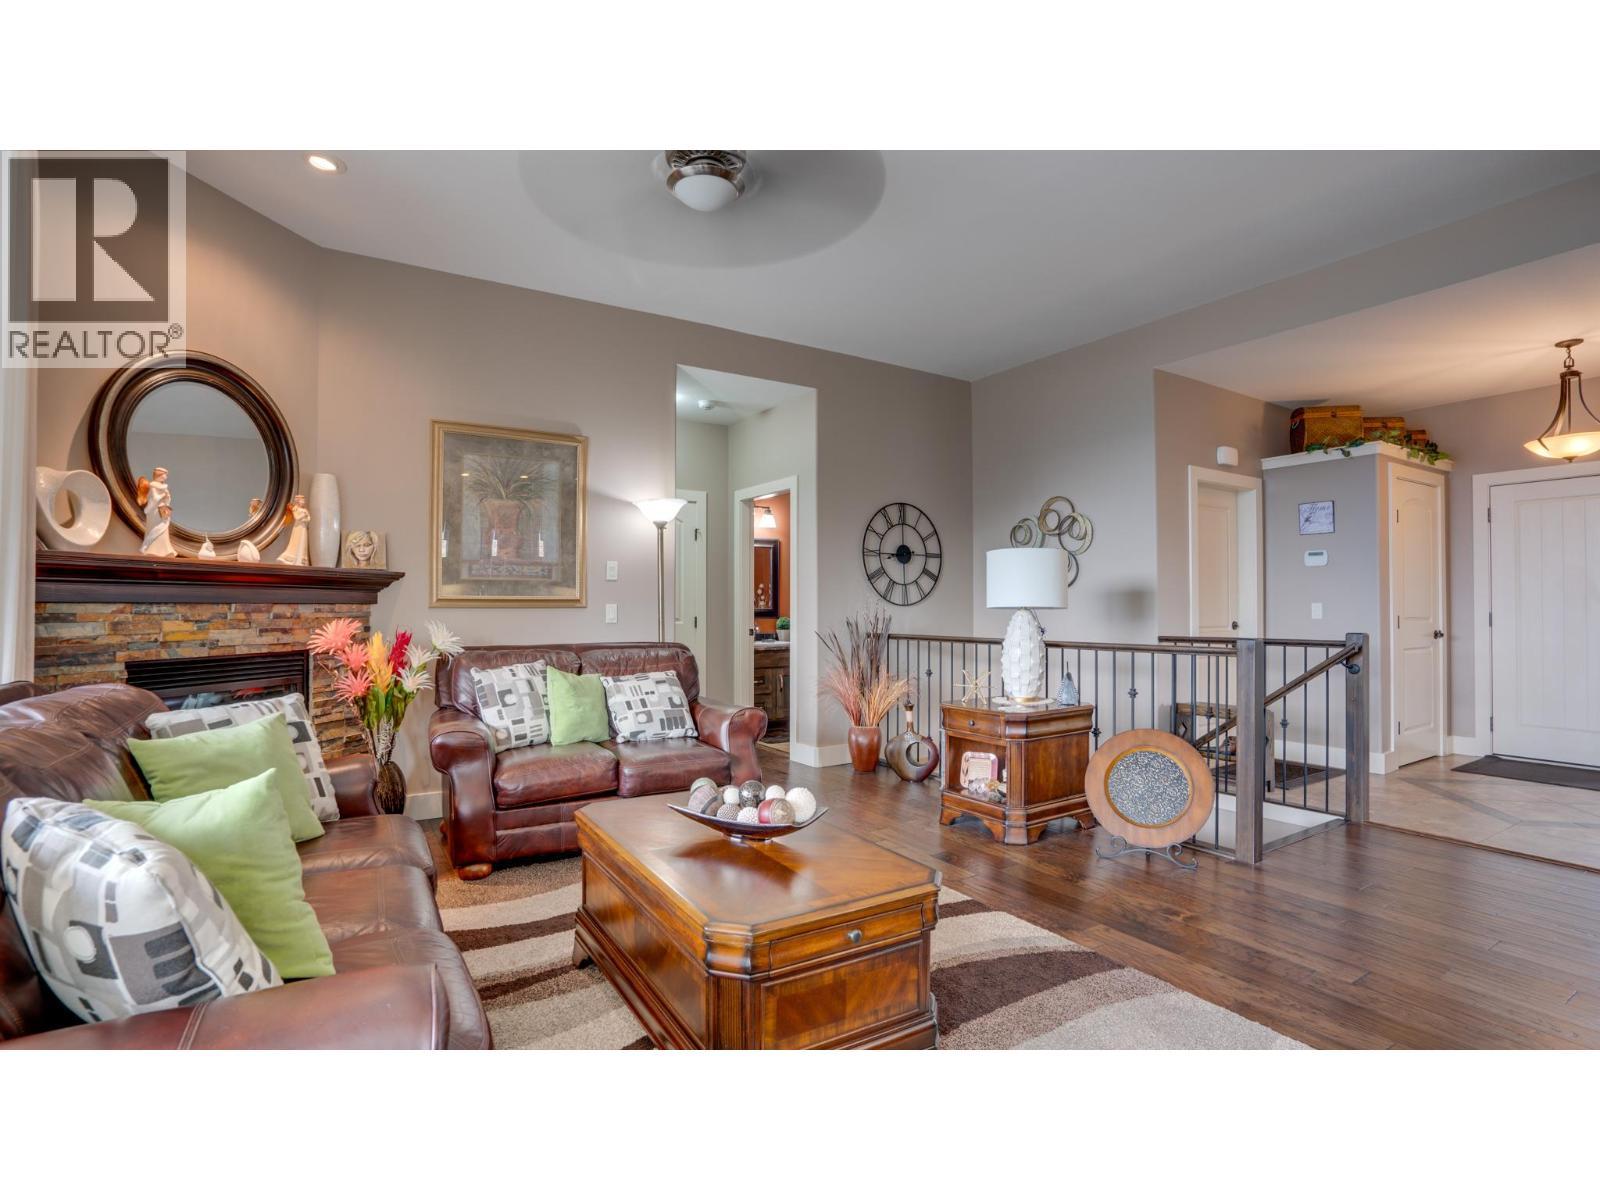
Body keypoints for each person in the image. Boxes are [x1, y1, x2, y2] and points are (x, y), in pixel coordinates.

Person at [137, 468, 176, 557]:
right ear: (159, 475)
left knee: (163, 530)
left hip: (162, 509)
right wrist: (163, 495)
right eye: (164, 475)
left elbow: (167, 499)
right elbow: (154, 499)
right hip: (155, 511)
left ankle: (165, 550)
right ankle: (149, 548)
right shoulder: (153, 486)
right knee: (157, 528)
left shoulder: (162, 486)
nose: (166, 477)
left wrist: (167, 497)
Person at [277, 493, 310, 565]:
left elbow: (308, 519)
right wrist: (303, 515)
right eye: (302, 501)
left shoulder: (305, 510)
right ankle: (292, 557)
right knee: (296, 541)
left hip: (303, 528)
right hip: (297, 528)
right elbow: (296, 518)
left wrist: (305, 519)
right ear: (298, 502)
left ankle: (301, 558)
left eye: (304, 501)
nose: (303, 502)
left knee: (303, 542)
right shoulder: (295, 509)